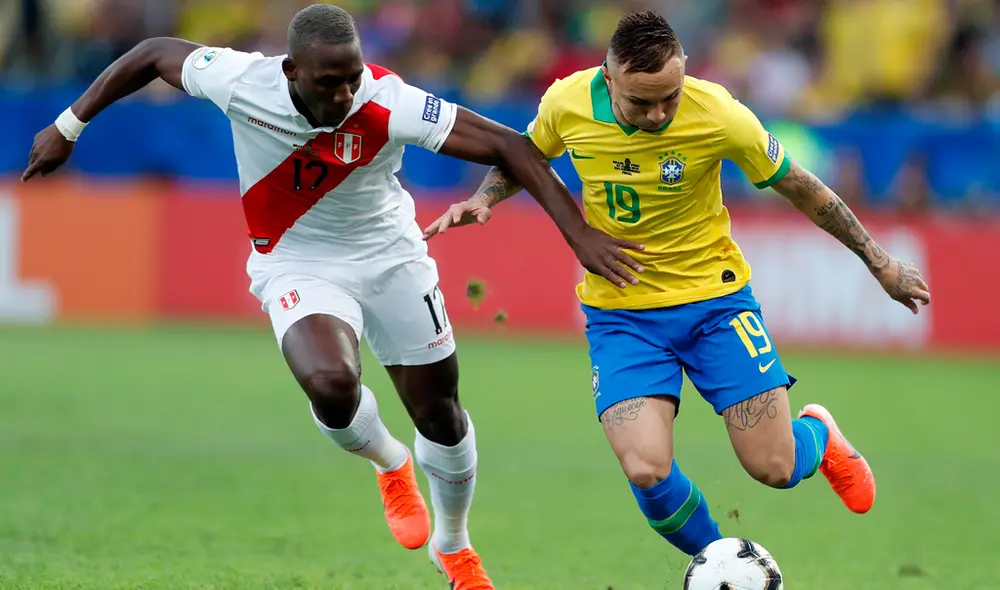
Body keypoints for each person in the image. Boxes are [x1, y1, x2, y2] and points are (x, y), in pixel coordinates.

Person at [20, 5, 636, 589]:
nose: (344, 96)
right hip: (296, 262)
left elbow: (510, 145)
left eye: (352, 79)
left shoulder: (387, 101)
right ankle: (390, 463)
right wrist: (69, 125)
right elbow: (153, 53)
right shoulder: (242, 81)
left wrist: (578, 234)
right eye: (329, 83)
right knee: (333, 389)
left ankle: (453, 544)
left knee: (441, 415)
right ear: (291, 71)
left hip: (392, 257)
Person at [423, 10, 931, 557]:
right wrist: (484, 197)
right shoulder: (565, 103)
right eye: (642, 103)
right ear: (608, 76)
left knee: (776, 467)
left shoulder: (718, 113)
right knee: (645, 468)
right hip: (622, 314)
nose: (660, 113)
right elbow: (522, 158)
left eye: (670, 94)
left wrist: (879, 261)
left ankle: (820, 436)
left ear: (684, 69)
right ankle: (720, 563)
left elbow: (803, 188)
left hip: (716, 304)